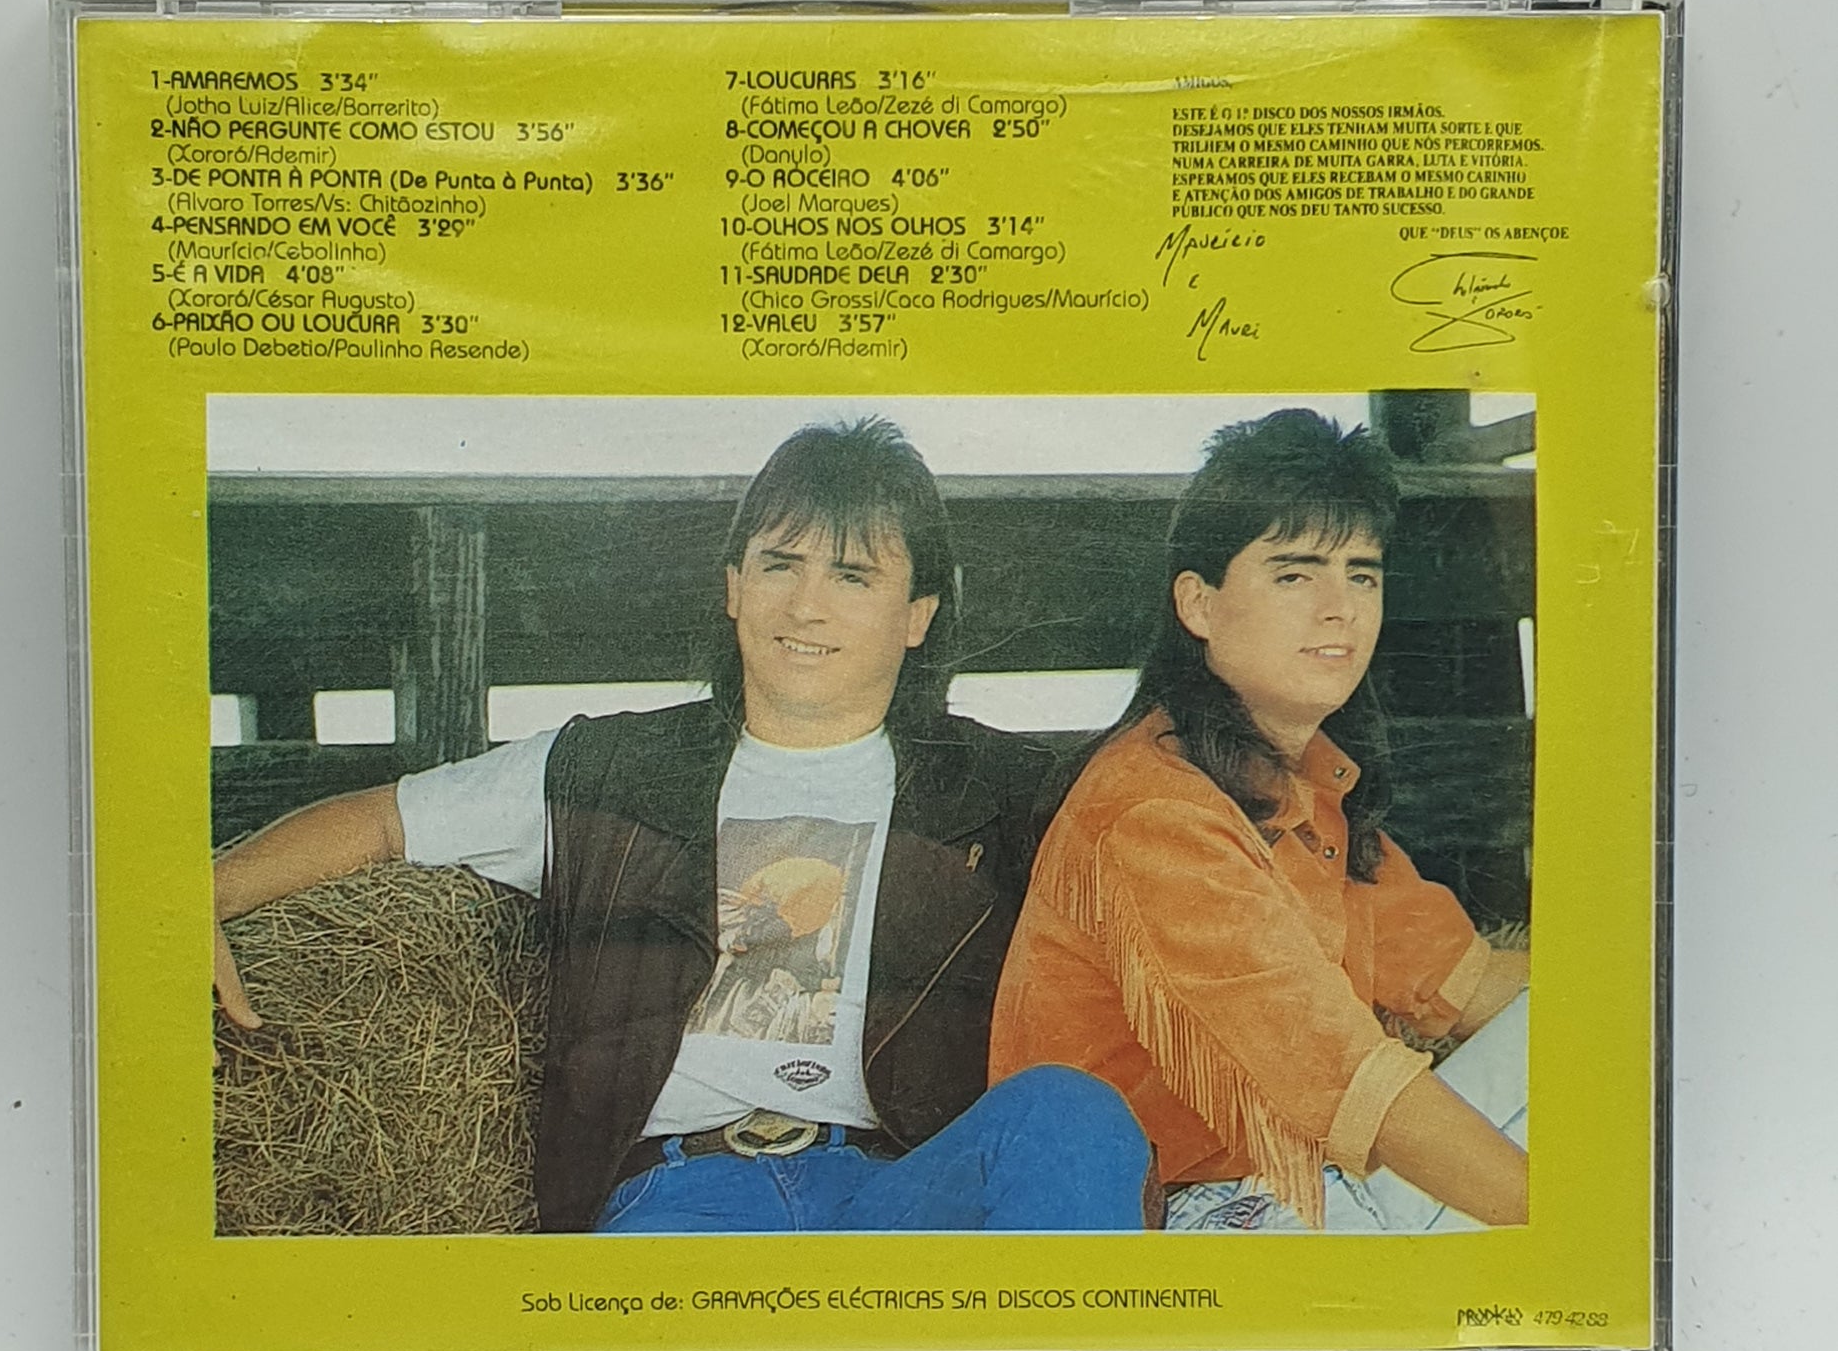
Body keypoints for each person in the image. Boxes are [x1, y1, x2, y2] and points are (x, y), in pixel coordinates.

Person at [215, 417, 1149, 1234]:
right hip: (680, 1199)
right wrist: (199, 896)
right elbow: (382, 819)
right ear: (734, 586)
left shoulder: (999, 789)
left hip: (897, 1191)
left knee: (1071, 1114)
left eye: (852, 575)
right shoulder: (606, 770)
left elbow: (1167, 878)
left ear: (917, 616)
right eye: (780, 564)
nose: (807, 604)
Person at [988, 408, 1529, 1230]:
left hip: (1314, 1178)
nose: (1340, 608)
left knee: (1594, 1022)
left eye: (1362, 574)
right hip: (1191, 1213)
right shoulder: (1154, 812)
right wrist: (1570, 1223)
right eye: (1294, 574)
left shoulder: (1304, 782)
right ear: (1199, 605)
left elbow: (1477, 987)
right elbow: (1351, 1084)